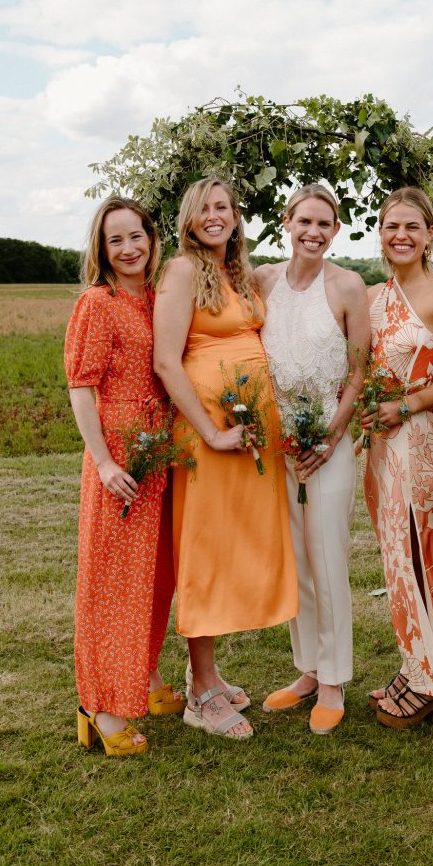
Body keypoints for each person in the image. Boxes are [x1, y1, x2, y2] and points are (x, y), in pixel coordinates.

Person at [153, 177, 298, 740]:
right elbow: (168, 362)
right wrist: (211, 434)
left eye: (224, 207)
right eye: (205, 209)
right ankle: (201, 694)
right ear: (190, 219)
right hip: (208, 434)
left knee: (236, 546)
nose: (216, 216)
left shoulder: (237, 272)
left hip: (249, 433)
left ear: (236, 217)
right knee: (207, 547)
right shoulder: (183, 270)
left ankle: (204, 671)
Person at [65, 196, 183, 757]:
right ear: (102, 250)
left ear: (152, 239)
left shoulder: (158, 299)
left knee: (154, 577)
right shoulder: (98, 302)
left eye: (136, 236)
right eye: (117, 240)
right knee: (112, 584)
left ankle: (144, 676)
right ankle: (102, 709)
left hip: (158, 457)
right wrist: (105, 462)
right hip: (119, 463)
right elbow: (81, 387)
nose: (129, 248)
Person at [362, 187, 433, 728]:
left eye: (412, 226)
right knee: (394, 555)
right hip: (381, 446)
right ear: (380, 233)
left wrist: (406, 404)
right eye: (391, 226)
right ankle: (415, 664)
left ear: (430, 234)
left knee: (424, 548)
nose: (401, 236)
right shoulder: (372, 296)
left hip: (422, 437)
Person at [256, 184, 371, 734]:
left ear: (336, 230)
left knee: (327, 559)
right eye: (305, 221)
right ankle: (305, 669)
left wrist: (330, 435)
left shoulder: (348, 285)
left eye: (325, 224)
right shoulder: (263, 280)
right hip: (280, 444)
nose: (314, 232)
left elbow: (358, 371)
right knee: (296, 561)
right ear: (287, 221)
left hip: (330, 441)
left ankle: (334, 679)